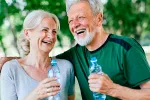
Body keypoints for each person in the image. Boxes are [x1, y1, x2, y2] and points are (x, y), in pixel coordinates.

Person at [1, 0, 150, 100]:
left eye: (80, 17)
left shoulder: (125, 48)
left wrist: (112, 89)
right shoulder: (75, 55)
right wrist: (12, 61)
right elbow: (42, 58)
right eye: (71, 20)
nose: (75, 24)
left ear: (98, 19)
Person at [1, 10, 75, 100]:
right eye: (45, 30)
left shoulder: (66, 67)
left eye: (54, 31)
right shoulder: (11, 69)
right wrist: (35, 95)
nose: (51, 36)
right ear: (27, 34)